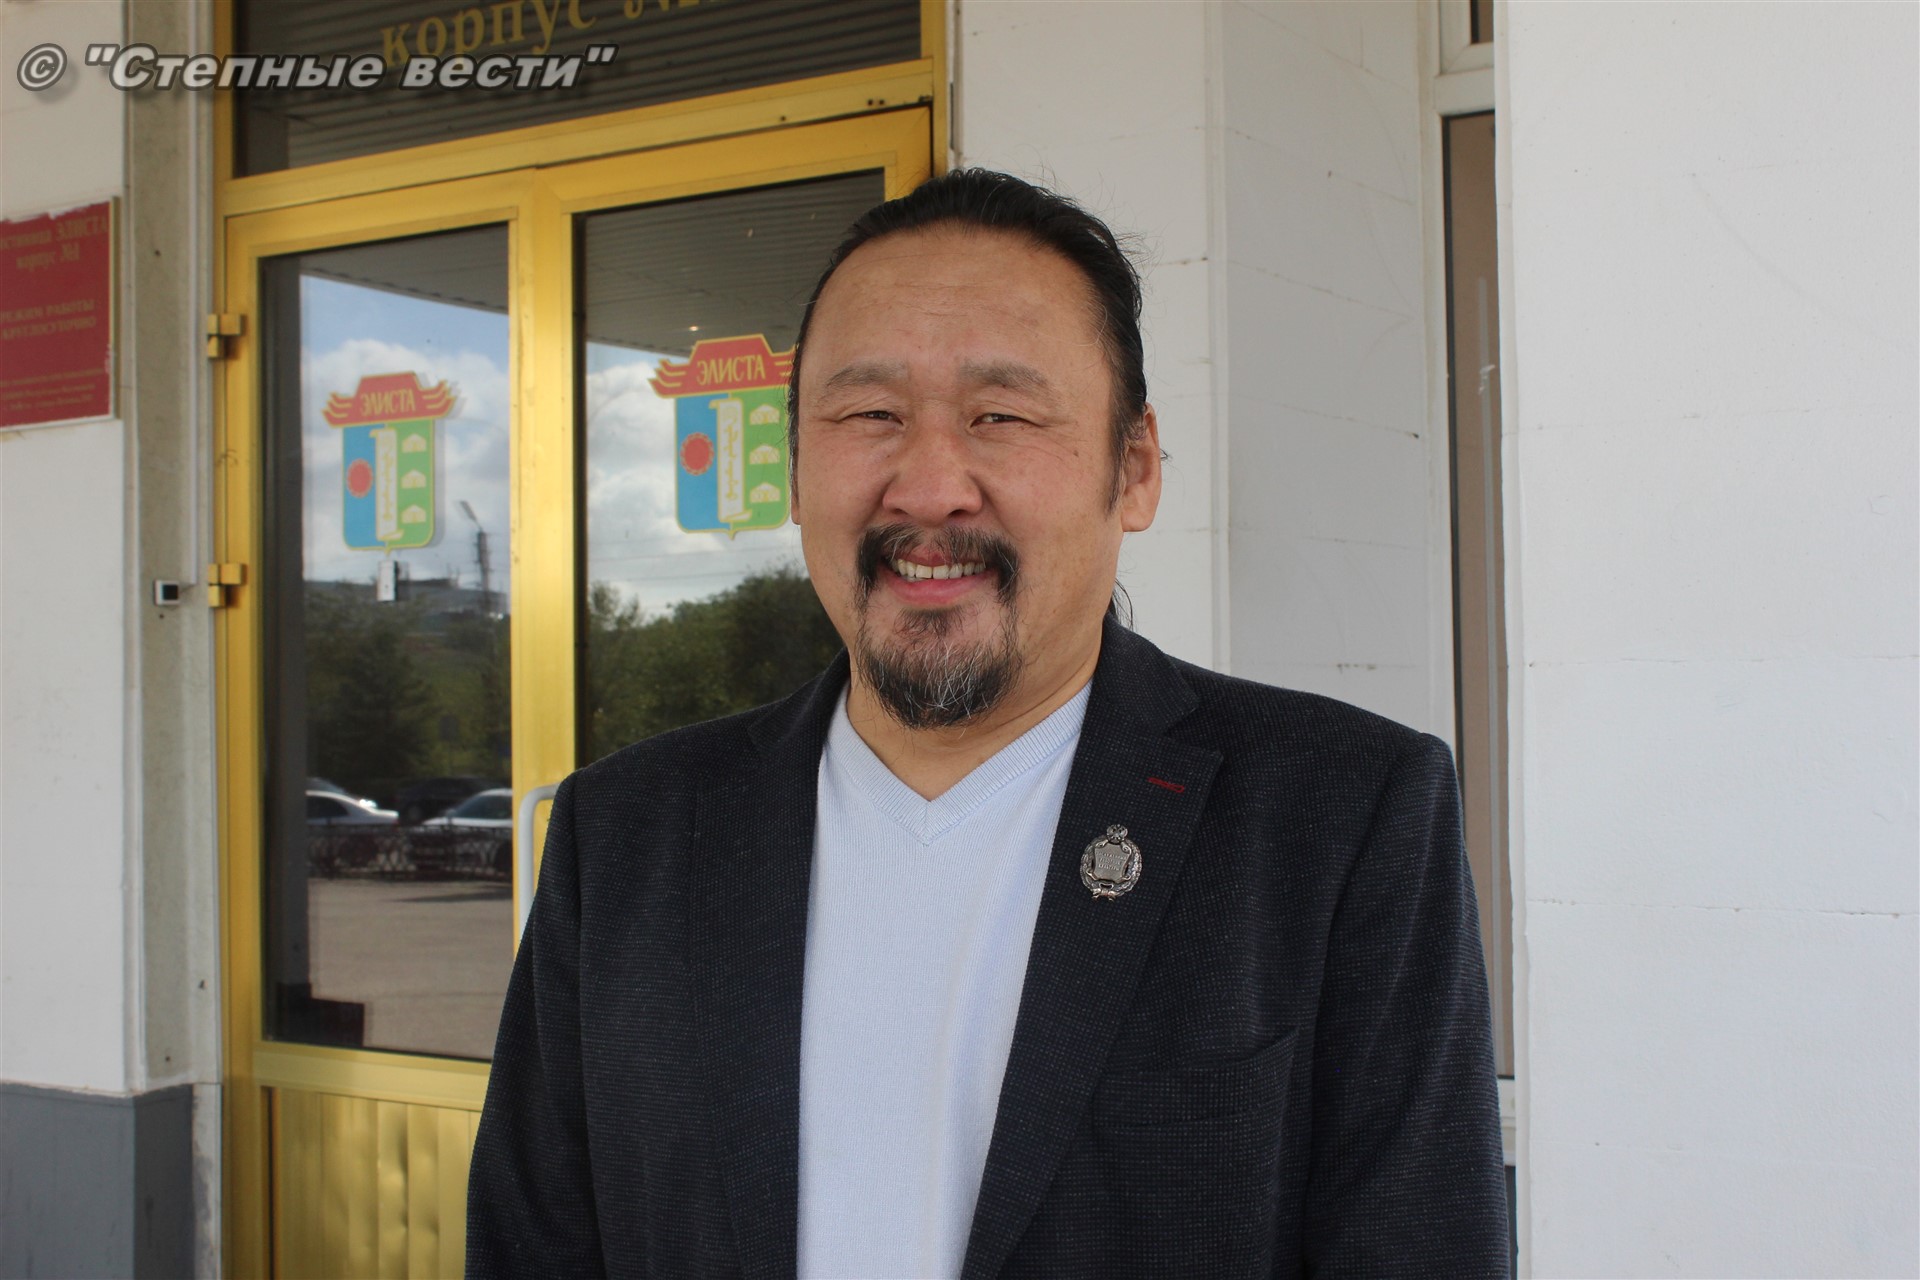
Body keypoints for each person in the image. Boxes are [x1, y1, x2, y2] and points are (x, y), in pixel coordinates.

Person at [467, 169, 1509, 1279]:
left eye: (999, 416)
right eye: (870, 415)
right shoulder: (627, 833)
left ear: (1135, 468)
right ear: (797, 469)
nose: (929, 489)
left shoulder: (1340, 816)